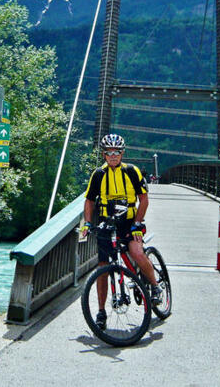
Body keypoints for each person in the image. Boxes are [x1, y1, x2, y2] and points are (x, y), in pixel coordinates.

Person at [81, 133, 161, 330]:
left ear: (122, 153)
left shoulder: (132, 172)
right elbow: (89, 200)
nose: (113, 155)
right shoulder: (98, 174)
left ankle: (155, 287)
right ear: (104, 155)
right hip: (107, 223)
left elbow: (144, 199)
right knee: (102, 267)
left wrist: (137, 223)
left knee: (136, 252)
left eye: (117, 152)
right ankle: (101, 312)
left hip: (129, 222)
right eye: (109, 152)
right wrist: (87, 224)